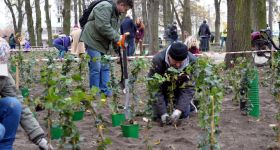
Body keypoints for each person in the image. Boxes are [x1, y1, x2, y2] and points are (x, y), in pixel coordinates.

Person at [0, 37, 52, 150]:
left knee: (13, 105)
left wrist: (39, 138)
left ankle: (5, 147)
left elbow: (19, 102)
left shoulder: (3, 76)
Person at [80, 0, 133, 97]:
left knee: (105, 67)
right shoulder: (105, 7)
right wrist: (118, 38)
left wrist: (117, 45)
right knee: (96, 67)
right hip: (92, 40)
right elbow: (103, 26)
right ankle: (94, 93)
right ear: (122, 4)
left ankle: (105, 91)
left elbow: (113, 31)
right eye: (125, 9)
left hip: (103, 43)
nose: (125, 11)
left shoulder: (116, 14)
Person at [148, 42, 197, 125]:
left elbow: (189, 88)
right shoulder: (158, 60)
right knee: (158, 115)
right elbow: (155, 88)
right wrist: (163, 113)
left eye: (181, 62)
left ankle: (190, 105)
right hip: (163, 88)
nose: (178, 65)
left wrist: (179, 110)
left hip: (181, 89)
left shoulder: (192, 61)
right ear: (169, 56)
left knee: (183, 114)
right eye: (175, 61)